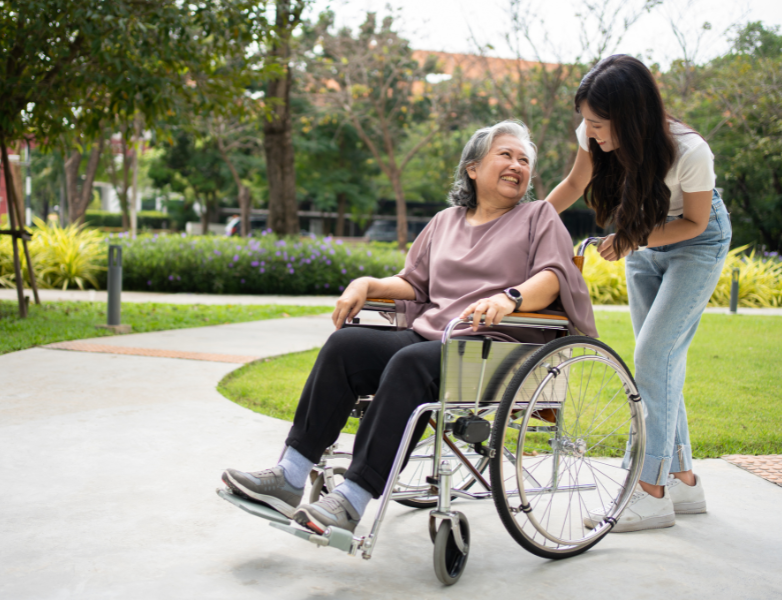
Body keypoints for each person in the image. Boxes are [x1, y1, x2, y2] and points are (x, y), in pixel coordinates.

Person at [222, 120, 597, 534]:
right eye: (505, 155)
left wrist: (508, 297)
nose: (517, 165)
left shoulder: (537, 216)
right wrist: (367, 283)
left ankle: (351, 499)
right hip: (432, 338)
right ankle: (291, 476)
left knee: (410, 362)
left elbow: (552, 277)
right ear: (472, 168)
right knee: (344, 346)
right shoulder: (444, 221)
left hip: (496, 346)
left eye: (524, 160)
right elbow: (413, 283)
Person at [545, 55, 732, 532]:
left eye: (599, 123)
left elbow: (693, 222)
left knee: (652, 356)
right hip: (642, 238)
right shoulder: (592, 133)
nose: (591, 132)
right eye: (585, 120)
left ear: (630, 117)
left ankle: (649, 493)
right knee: (661, 363)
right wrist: (527, 221)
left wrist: (632, 238)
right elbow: (575, 182)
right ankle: (684, 480)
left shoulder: (691, 151)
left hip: (696, 243)